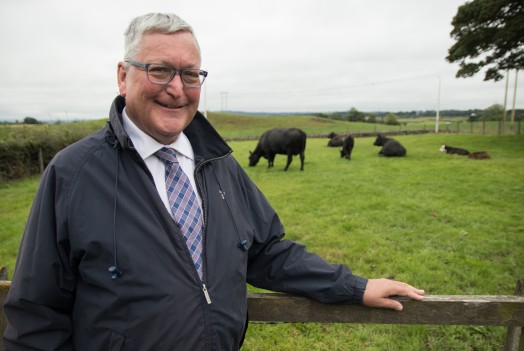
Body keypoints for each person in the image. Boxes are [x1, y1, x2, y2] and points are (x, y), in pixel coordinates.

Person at [3, 12, 424, 350]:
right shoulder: (72, 174)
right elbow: (37, 314)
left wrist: (355, 286)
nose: (177, 89)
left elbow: (268, 253)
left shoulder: (219, 164)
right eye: (160, 70)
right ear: (122, 76)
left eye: (190, 75)